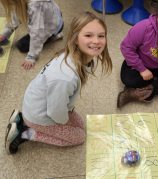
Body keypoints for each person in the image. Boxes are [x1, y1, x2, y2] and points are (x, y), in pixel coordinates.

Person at [4, 11, 112, 155]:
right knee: (79, 137)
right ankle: (24, 133)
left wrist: (66, 116)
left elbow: (58, 102)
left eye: (101, 35)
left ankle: (21, 119)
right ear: (75, 38)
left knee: (80, 125)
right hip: (40, 115)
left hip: (38, 104)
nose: (96, 41)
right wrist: (63, 121)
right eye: (88, 35)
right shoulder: (65, 77)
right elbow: (55, 111)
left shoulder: (73, 56)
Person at [0, 0, 64, 70]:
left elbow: (37, 34)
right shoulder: (23, 2)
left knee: (22, 45)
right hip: (53, 16)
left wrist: (31, 57)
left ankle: (55, 35)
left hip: (53, 26)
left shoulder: (36, 6)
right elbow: (15, 16)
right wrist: (4, 34)